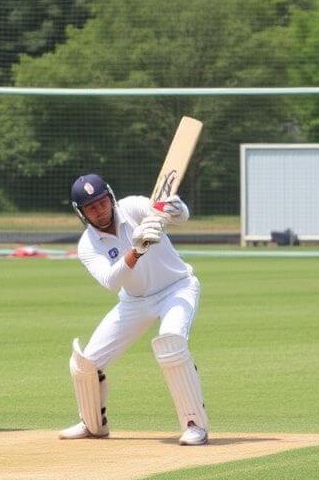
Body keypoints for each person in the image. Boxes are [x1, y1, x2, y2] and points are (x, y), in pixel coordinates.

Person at [60, 173, 209, 446]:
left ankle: (194, 425)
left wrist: (180, 209)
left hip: (177, 287)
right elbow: (110, 281)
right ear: (81, 213)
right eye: (91, 207)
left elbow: (170, 213)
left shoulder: (134, 207)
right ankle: (92, 424)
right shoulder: (87, 245)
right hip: (134, 301)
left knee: (171, 344)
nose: (99, 211)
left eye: (102, 202)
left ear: (111, 197)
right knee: (85, 364)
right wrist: (136, 250)